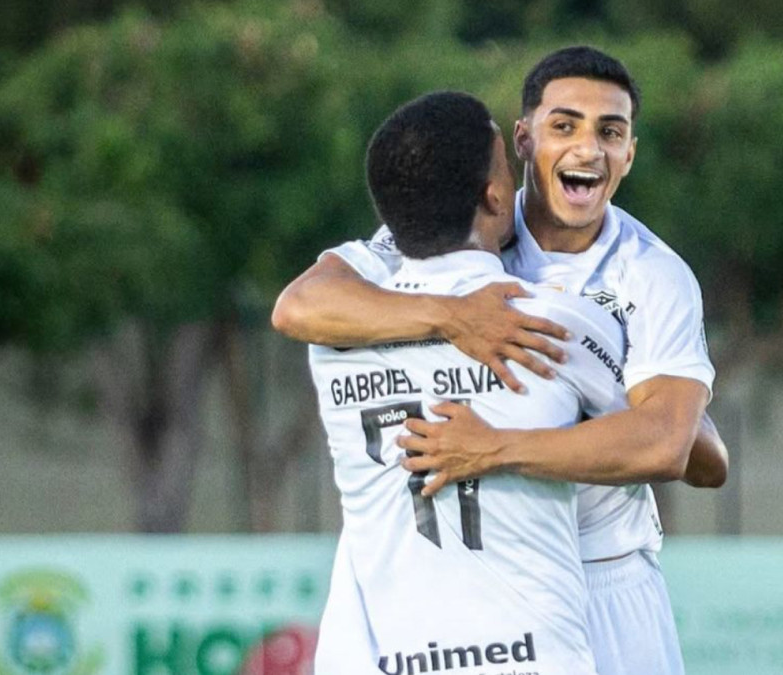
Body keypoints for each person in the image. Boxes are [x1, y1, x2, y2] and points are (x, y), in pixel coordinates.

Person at [274, 47, 727, 674]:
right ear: (523, 139)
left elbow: (682, 451)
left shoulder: (650, 275)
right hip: (451, 578)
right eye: (564, 125)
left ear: (629, 153)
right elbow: (300, 305)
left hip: (601, 572)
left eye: (610, 132)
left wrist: (496, 446)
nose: (588, 149)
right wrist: (451, 316)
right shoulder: (459, 216)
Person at [309, 90, 630, 674]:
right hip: (535, 659)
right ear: (494, 195)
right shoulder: (557, 321)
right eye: (508, 166)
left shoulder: (332, 338)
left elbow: (300, 301)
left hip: (395, 660)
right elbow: (653, 438)